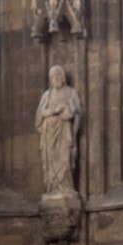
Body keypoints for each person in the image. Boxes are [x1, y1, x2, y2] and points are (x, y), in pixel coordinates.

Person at [36, 65, 82, 197]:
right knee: (51, 160)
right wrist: (54, 111)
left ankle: (66, 187)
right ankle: (52, 187)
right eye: (53, 76)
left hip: (65, 131)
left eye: (58, 75)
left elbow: (78, 111)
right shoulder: (47, 95)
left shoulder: (71, 92)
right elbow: (40, 113)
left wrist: (70, 112)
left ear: (62, 77)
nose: (56, 78)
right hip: (49, 133)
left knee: (65, 158)